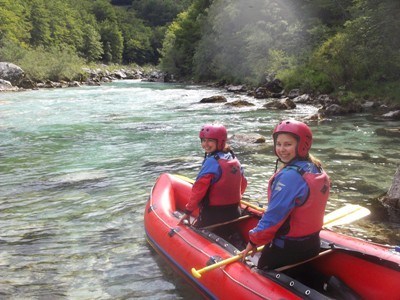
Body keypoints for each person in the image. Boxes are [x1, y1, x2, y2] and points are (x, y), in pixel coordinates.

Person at [241, 119, 330, 270]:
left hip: (286, 249)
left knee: (260, 269)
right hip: (312, 244)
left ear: (302, 146)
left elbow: (273, 217)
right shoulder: (317, 168)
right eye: (278, 144)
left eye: (288, 144)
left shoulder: (290, 176)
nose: (281, 149)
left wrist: (253, 241)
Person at [178, 123, 247, 230]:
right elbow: (243, 183)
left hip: (213, 215)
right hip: (234, 211)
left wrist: (188, 212)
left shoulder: (211, 162)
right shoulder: (233, 158)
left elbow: (198, 190)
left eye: (210, 140)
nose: (206, 144)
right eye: (203, 140)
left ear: (220, 142)